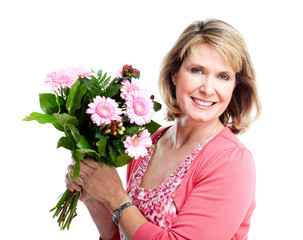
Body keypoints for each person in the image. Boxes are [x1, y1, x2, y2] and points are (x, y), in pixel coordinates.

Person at [66, 18, 261, 240]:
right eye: (197, 70)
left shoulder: (232, 161)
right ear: (174, 74)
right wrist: (93, 195)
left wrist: (114, 196)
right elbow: (123, 234)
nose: (208, 88)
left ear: (235, 87)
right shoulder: (149, 144)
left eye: (223, 77)